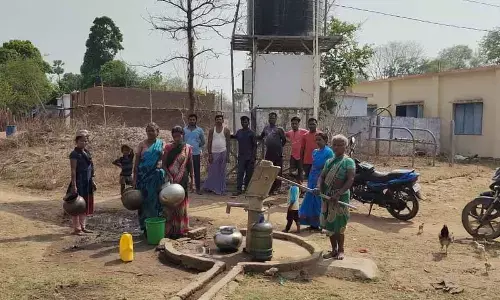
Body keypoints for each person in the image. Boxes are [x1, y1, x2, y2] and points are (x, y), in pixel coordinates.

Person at [315, 134, 355, 260]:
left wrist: (338, 194)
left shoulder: (348, 161)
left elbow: (350, 179)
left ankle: (341, 250)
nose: (336, 147)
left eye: (340, 145)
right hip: (327, 197)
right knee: (330, 225)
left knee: (339, 225)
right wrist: (318, 188)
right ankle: (333, 250)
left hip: (341, 197)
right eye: (334, 145)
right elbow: (322, 177)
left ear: (345, 146)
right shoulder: (329, 161)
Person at [133, 122, 165, 236]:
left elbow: (163, 159)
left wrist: (160, 165)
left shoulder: (161, 144)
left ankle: (154, 225)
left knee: (155, 201)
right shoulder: (141, 144)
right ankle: (144, 227)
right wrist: (134, 177)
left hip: (155, 178)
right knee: (143, 202)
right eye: (148, 130)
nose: (150, 133)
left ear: (157, 132)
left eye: (152, 130)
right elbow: (136, 163)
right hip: (142, 178)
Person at [163, 126, 194, 239]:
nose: (176, 138)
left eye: (179, 135)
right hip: (170, 179)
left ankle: (181, 228)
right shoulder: (168, 147)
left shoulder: (187, 148)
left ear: (182, 135)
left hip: (183, 178)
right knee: (171, 202)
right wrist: (170, 175)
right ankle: (171, 229)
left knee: (181, 202)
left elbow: (190, 165)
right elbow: (163, 165)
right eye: (174, 135)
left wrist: (193, 180)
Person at [299, 132, 334, 231]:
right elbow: (313, 166)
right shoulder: (314, 152)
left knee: (319, 200)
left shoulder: (329, 152)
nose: (318, 142)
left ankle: (320, 223)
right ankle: (312, 223)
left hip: (322, 178)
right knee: (311, 200)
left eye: (320, 140)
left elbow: (329, 167)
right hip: (312, 178)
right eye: (316, 140)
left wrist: (322, 180)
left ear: (325, 140)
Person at [67, 130, 95, 235]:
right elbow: (73, 170)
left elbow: (90, 167)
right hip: (79, 182)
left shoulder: (87, 153)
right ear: (76, 141)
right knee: (76, 205)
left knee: (85, 204)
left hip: (87, 182)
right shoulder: (74, 154)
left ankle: (83, 226)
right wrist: (74, 185)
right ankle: (76, 228)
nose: (84, 143)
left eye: (86, 141)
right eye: (82, 141)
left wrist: (92, 180)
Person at [203, 114, 230, 195]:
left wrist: (228, 155)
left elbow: (228, 143)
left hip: (223, 152)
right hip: (214, 153)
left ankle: (221, 189)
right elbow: (209, 142)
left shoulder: (226, 130)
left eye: (220, 119)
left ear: (222, 121)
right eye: (217, 119)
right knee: (212, 171)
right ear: (215, 121)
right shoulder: (212, 130)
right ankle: (211, 187)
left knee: (221, 172)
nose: (218, 120)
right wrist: (210, 154)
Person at [259, 112, 286, 194]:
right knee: (268, 170)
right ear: (268, 119)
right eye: (270, 118)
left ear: (276, 119)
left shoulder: (279, 129)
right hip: (269, 153)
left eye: (273, 118)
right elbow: (261, 137)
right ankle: (269, 187)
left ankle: (277, 188)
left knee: (278, 171)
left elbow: (284, 140)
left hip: (278, 153)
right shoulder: (266, 128)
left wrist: (278, 147)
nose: (272, 119)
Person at [231, 116, 257, 196]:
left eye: (245, 122)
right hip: (241, 157)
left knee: (249, 174)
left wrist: (253, 157)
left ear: (248, 123)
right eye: (242, 122)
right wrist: (228, 135)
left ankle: (247, 189)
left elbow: (255, 146)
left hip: (250, 157)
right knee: (240, 173)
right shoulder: (239, 132)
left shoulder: (251, 133)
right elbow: (234, 137)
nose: (244, 123)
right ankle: (239, 190)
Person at [184, 114, 205, 195]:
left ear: (196, 120)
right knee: (185, 171)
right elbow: (182, 141)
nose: (192, 121)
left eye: (193, 119)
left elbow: (203, 141)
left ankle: (198, 189)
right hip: (185, 153)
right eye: (190, 119)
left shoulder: (199, 130)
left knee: (196, 171)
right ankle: (185, 189)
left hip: (196, 153)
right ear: (188, 120)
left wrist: (196, 146)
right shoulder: (184, 130)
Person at [286, 117, 307, 182]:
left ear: (298, 124)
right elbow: (283, 134)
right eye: (293, 124)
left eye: (296, 123)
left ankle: (301, 188)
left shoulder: (303, 131)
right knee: (292, 172)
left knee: (301, 172)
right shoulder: (290, 132)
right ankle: (294, 187)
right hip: (293, 155)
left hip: (301, 155)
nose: (294, 125)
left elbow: (311, 134)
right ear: (291, 124)